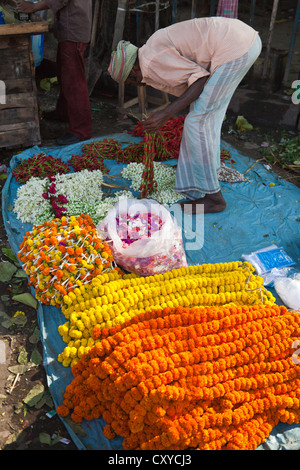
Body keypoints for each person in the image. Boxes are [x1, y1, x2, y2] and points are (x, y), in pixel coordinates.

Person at [108, 17, 261, 214]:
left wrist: (165, 114)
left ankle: (214, 199)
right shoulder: (149, 53)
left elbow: (199, 81)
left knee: (196, 122)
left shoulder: (151, 62)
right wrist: (166, 112)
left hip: (235, 48)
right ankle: (211, 171)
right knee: (207, 116)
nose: (137, 85)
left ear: (134, 69)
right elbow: (193, 86)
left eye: (132, 81)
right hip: (245, 41)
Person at [17, 0, 93, 146]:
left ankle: (81, 131)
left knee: (74, 82)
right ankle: (63, 113)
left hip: (74, 29)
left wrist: (34, 7)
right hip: (71, 28)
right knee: (66, 77)